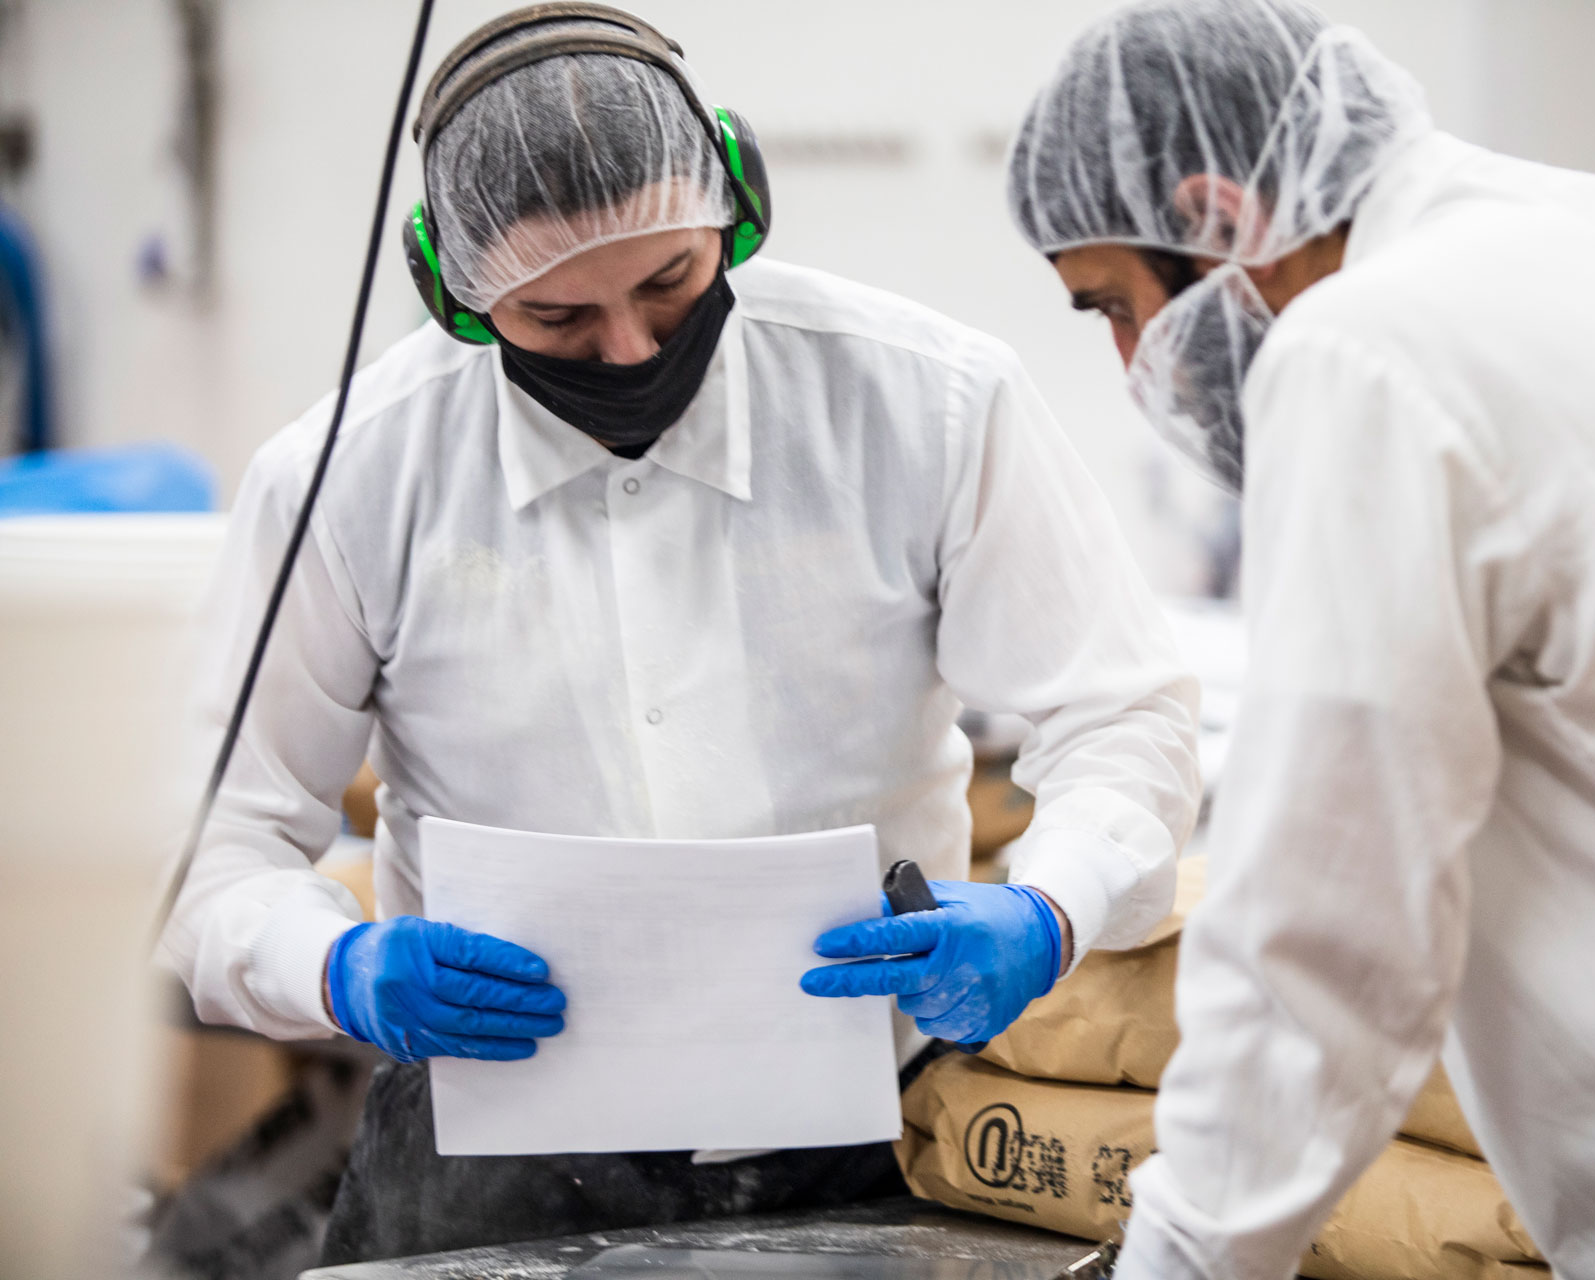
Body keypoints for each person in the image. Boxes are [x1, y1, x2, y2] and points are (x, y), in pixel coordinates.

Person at [160, 5, 1201, 1265]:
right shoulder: (350, 476)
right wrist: (335, 963)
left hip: (881, 1138)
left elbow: (1126, 716)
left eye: (671, 282)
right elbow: (209, 846)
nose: (633, 347)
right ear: (454, 292)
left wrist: (1049, 906)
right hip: (486, 1160)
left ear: (736, 207)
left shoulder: (927, 400)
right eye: (557, 319)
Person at [1005, 2, 1595, 1277]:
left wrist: (1182, 1257)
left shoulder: (1366, 350)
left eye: (1113, 307)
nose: (1129, 366)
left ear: (1218, 220)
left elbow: (1319, 935)